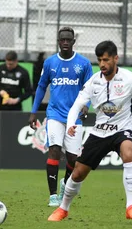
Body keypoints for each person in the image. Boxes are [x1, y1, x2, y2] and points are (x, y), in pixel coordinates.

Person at [48, 40, 132, 222]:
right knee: (78, 173)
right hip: (99, 133)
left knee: (128, 152)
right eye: (99, 60)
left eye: (106, 60)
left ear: (116, 59)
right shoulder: (93, 82)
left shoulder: (130, 79)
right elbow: (77, 105)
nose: (102, 64)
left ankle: (131, 206)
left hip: (124, 129)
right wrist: (70, 124)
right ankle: (63, 208)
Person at [28, 27, 93, 207]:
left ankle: (65, 184)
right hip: (54, 114)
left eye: (68, 40)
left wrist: (86, 106)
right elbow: (41, 87)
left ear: (73, 42)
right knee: (54, 150)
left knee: (73, 159)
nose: (65, 42)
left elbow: (90, 89)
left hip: (74, 117)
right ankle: (53, 195)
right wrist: (34, 111)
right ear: (58, 41)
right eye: (62, 39)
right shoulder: (50, 63)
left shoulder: (84, 64)